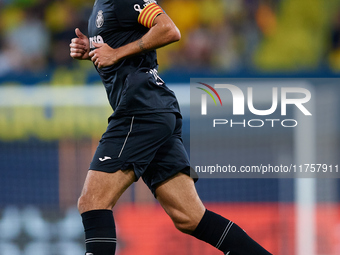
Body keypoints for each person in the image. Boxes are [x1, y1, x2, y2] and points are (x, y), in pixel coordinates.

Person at [70, 0, 272, 254]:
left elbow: (169, 29)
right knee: (190, 217)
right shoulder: (101, 5)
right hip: (154, 110)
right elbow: (116, 45)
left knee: (92, 202)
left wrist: (116, 53)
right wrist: (90, 48)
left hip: (140, 110)